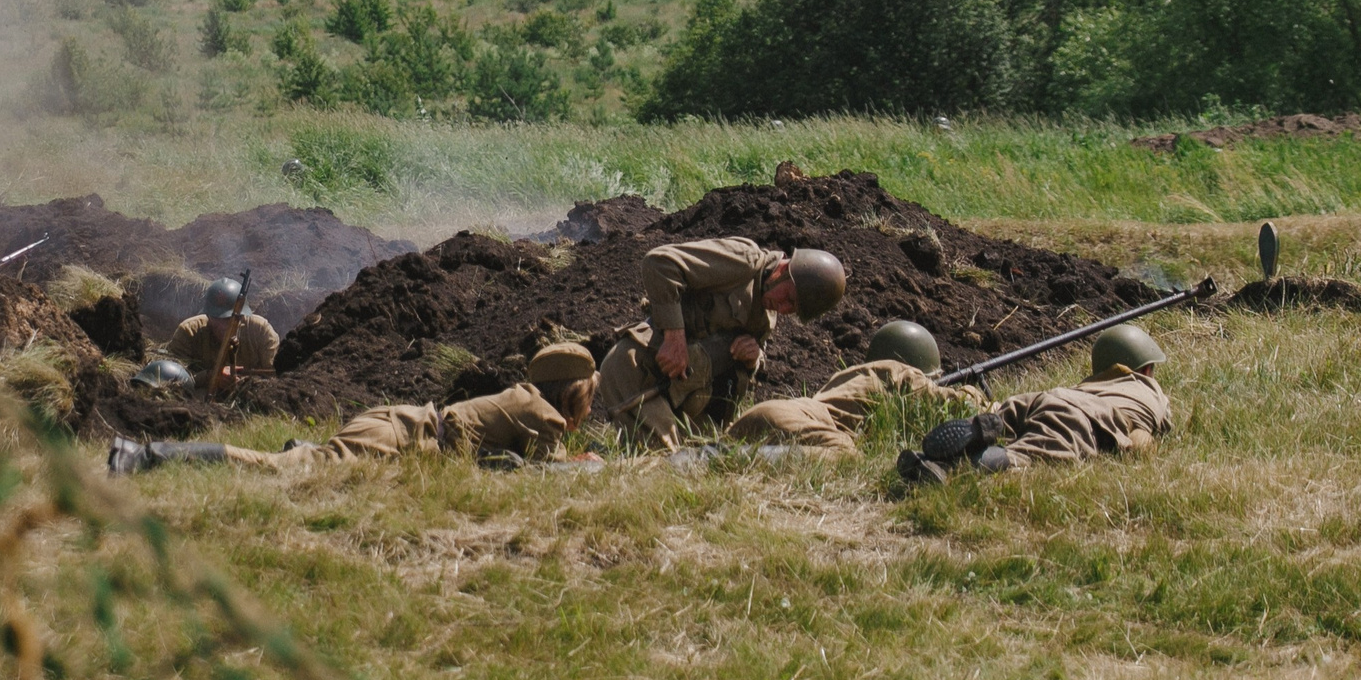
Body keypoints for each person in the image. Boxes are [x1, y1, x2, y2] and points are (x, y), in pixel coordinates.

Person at [108, 337, 598, 473]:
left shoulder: (527, 399)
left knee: (311, 461)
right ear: (574, 394)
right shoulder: (546, 416)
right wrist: (586, 465)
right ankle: (143, 457)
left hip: (398, 424)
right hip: (400, 438)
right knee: (281, 470)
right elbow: (542, 476)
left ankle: (311, 449)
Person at [594, 239, 847, 449]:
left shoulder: (766, 313)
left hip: (680, 395)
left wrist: (754, 357)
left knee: (706, 462)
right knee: (664, 465)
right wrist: (674, 336)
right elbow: (659, 263)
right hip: (638, 372)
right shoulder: (743, 261)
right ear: (785, 270)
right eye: (788, 298)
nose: (783, 308)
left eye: (793, 309)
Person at [896, 324, 1170, 483]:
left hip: (1045, 397)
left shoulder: (1092, 383)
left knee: (1004, 421)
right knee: (1032, 452)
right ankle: (955, 467)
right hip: (1079, 416)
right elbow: (1139, 441)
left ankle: (971, 433)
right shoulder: (1148, 392)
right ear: (1145, 369)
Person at [723, 320, 986, 454]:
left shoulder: (850, 375)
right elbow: (965, 406)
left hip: (764, 412)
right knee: (846, 456)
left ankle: (723, 455)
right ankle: (747, 457)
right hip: (791, 421)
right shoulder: (902, 374)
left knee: (713, 455)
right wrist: (974, 389)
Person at [159, 278, 281, 394]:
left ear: (242, 317)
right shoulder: (189, 331)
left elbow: (276, 375)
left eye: (229, 319)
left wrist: (245, 382)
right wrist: (209, 377)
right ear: (207, 315)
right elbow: (169, 377)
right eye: (217, 318)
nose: (223, 326)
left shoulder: (260, 330)